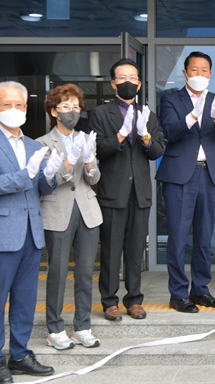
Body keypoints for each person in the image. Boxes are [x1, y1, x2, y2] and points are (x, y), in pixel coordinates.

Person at [0, 81, 62, 383]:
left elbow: (40, 187)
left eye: (20, 104)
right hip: (1, 231)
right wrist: (24, 174)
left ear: (26, 108)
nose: (14, 110)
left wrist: (50, 175)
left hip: (31, 231)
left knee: (26, 298)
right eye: (7, 105)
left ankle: (20, 354)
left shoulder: (33, 145)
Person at [157, 51, 215, 313]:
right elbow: (170, 132)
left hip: (210, 174)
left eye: (204, 70)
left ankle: (200, 290)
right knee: (178, 237)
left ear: (210, 74)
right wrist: (192, 115)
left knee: (204, 237)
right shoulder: (171, 99)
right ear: (185, 73)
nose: (199, 74)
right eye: (194, 70)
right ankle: (178, 294)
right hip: (180, 175)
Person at [89, 59, 165, 321]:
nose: (128, 82)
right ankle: (109, 301)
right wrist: (120, 135)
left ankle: (134, 299)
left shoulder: (148, 115)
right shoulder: (100, 114)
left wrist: (145, 136)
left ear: (140, 83)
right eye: (122, 77)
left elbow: (157, 152)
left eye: (132, 78)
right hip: (112, 192)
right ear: (113, 83)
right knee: (110, 250)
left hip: (140, 193)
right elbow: (97, 149)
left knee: (135, 251)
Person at [37, 84, 102, 350]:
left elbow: (94, 179)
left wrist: (88, 162)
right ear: (54, 111)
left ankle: (83, 326)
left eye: (76, 107)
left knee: (86, 272)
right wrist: (67, 163)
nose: (72, 112)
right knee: (58, 271)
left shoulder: (86, 139)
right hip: (58, 210)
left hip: (87, 210)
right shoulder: (42, 143)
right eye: (65, 107)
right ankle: (54, 329)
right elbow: (47, 181)